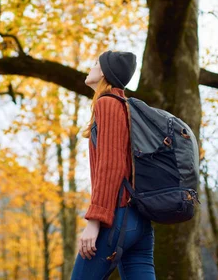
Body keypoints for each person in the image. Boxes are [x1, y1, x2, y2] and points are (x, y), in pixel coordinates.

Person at [71, 50, 156, 280]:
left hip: (117, 218)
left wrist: (95, 221)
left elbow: (111, 166)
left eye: (96, 62)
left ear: (105, 72)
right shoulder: (125, 107)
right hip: (139, 222)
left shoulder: (108, 103)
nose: (91, 65)